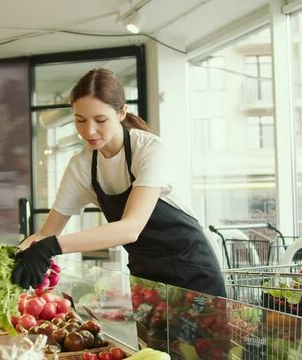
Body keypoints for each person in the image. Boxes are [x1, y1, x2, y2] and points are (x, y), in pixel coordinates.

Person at [12, 68, 226, 297]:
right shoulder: (82, 165)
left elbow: (130, 228)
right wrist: (12, 255)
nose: (89, 130)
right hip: (145, 277)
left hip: (193, 272)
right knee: (148, 335)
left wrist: (54, 246)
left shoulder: (150, 150)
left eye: (100, 120)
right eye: (80, 120)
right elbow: (46, 233)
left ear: (122, 112)